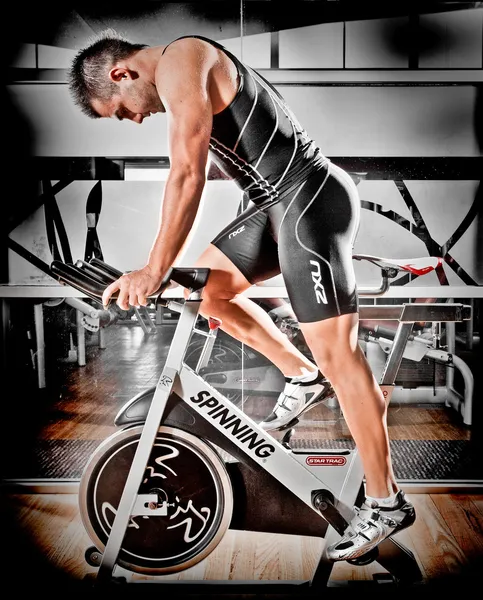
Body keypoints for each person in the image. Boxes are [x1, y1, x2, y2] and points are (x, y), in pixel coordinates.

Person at [68, 29, 415, 561]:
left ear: (121, 75)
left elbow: (187, 174)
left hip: (309, 200)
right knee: (205, 291)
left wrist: (151, 268)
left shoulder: (183, 57)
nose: (135, 120)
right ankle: (302, 375)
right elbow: (215, 157)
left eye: (121, 112)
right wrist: (160, 270)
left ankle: (388, 501)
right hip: (275, 206)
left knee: (341, 355)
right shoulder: (183, 74)